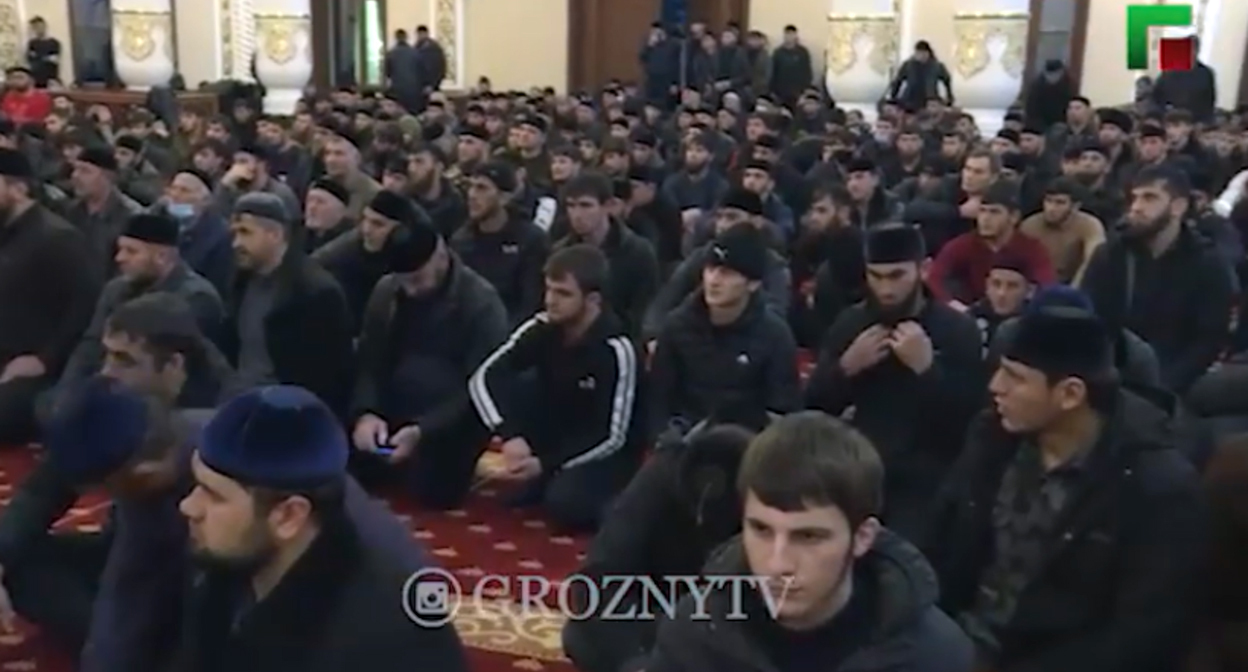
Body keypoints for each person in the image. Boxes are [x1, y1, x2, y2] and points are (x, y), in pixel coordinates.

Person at [923, 307, 1208, 672]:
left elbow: (1143, 634)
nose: (995, 386)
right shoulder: (992, 437)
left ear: (1070, 394)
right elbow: (940, 537)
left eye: (1015, 377)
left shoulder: (1157, 487)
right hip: (956, 642)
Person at [646, 411, 973, 672]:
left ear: (862, 537)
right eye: (761, 530)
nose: (777, 564)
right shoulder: (693, 635)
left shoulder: (934, 656)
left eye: (808, 537)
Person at [172, 386, 469, 672]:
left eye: (214, 495)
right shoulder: (225, 568)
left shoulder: (389, 637)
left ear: (289, 516)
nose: (188, 506)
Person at [805, 223, 982, 537]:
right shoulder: (852, 323)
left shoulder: (958, 331)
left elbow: (968, 420)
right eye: (876, 276)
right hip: (860, 467)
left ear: (923, 269)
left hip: (928, 479)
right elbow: (814, 403)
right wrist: (845, 368)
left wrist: (928, 370)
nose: (886, 289)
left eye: (897, 276)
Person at [469, 244, 644, 529]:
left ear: (593, 300)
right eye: (548, 289)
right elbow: (486, 376)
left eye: (563, 293)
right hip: (556, 432)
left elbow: (613, 436)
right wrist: (509, 434)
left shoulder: (616, 348)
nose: (550, 300)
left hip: (604, 450)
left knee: (568, 505)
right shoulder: (542, 326)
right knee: (512, 388)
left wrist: (547, 464)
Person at [563, 423, 756, 672]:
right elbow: (600, 577)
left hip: (736, 632)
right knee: (581, 635)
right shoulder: (659, 479)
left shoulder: (774, 498)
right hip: (658, 621)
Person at [351, 219, 508, 509]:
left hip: (449, 419)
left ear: (441, 257)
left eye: (417, 280)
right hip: (393, 406)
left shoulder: (481, 302)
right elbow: (369, 360)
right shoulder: (388, 290)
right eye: (404, 280)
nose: (410, 289)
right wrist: (366, 412)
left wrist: (424, 430)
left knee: (433, 492)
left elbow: (481, 388)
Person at [55, 213, 223, 396]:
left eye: (131, 251)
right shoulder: (115, 289)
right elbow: (90, 346)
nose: (119, 258)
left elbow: (184, 373)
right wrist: (66, 396)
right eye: (120, 249)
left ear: (162, 256)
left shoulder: (196, 298)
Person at [0, 147, 100, 443]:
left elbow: (84, 308)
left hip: (33, 366)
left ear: (18, 188)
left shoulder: (57, 238)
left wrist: (45, 359)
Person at [223, 193, 355, 414]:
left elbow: (329, 380)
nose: (236, 243)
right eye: (234, 234)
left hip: (287, 412)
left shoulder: (315, 292)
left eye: (245, 233)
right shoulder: (241, 280)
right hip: (240, 401)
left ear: (275, 234)